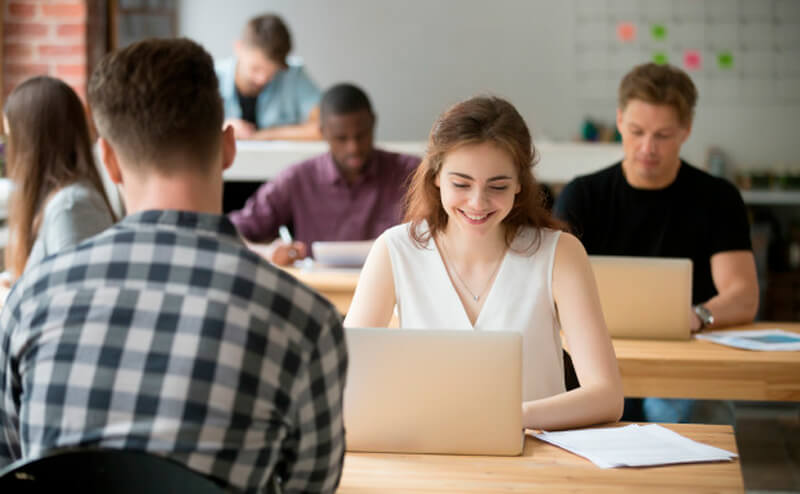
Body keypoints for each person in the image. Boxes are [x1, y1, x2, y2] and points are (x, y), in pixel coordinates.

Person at [0, 38, 347, 493]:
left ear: (109, 160)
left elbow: (12, 464)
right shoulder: (305, 321)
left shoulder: (32, 298)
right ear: (227, 147)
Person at [344, 96, 623, 431]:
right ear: (436, 177)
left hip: (538, 458)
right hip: (428, 454)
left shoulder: (560, 254)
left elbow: (607, 397)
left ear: (520, 183)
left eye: (498, 186)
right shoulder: (395, 250)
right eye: (461, 184)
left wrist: (505, 417)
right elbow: (346, 378)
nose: (477, 203)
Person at [554, 62, 758, 423]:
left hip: (686, 359)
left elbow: (742, 294)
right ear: (619, 121)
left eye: (663, 135)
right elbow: (548, 285)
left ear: (686, 130)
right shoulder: (582, 195)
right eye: (636, 131)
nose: (648, 147)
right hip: (596, 356)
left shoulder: (718, 197)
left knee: (681, 415)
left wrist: (699, 315)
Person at [230, 83, 420, 266]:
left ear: (373, 123)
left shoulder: (411, 173)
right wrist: (266, 253)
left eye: (361, 135)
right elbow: (230, 232)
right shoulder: (297, 179)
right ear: (323, 132)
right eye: (341, 138)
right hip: (319, 291)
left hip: (393, 293)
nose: (353, 147)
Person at [2, 76, 117, 285]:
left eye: (13, 139)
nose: (10, 152)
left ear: (31, 142)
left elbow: (76, 295)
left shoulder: (71, 206)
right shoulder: (62, 201)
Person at [216, 13, 321, 140]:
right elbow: (187, 128)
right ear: (238, 48)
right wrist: (219, 127)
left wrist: (264, 135)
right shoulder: (211, 76)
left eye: (272, 72)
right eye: (255, 68)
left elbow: (323, 128)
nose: (262, 79)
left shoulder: (293, 75)